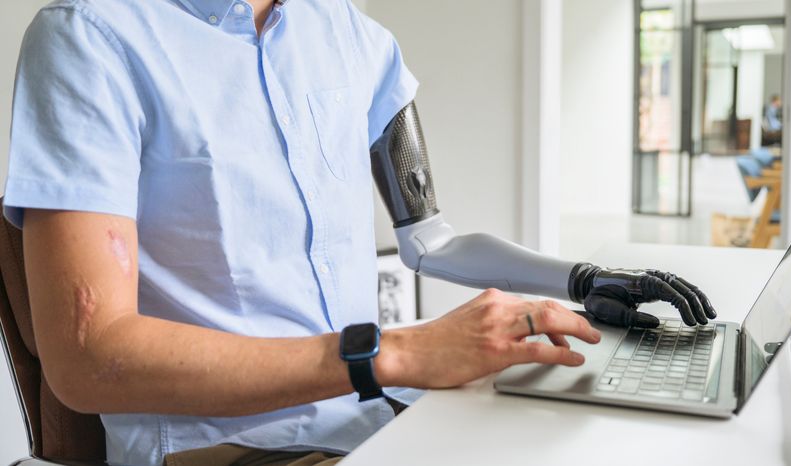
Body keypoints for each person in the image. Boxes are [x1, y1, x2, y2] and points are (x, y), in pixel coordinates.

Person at [4, 1, 715, 465]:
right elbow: (88, 359)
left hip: (374, 419)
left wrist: (583, 280)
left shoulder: (355, 38)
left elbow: (432, 240)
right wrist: (392, 352)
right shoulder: (89, 40)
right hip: (225, 447)